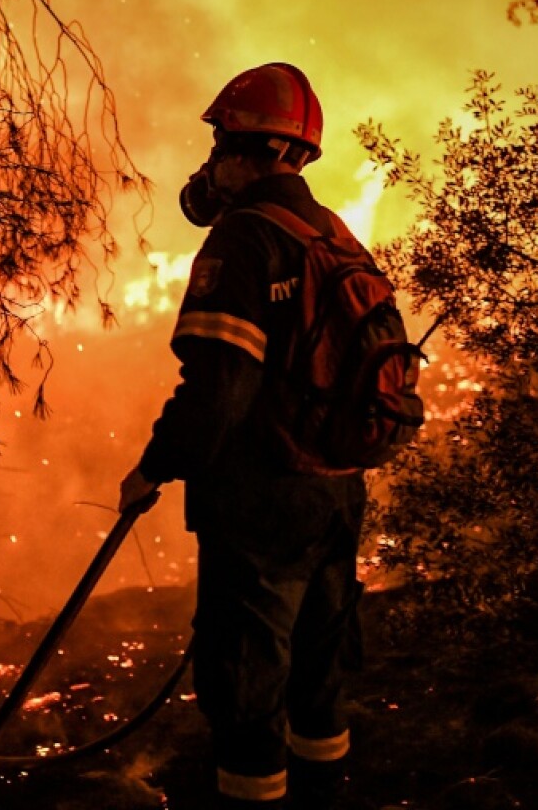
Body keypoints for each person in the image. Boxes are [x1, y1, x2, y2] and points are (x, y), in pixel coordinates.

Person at [119, 63, 367, 810]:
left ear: (249, 148)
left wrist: (153, 467)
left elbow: (218, 389)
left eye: (219, 139)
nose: (210, 161)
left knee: (245, 680)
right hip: (337, 490)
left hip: (262, 502)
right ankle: (327, 795)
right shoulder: (332, 232)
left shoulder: (244, 239)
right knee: (319, 674)